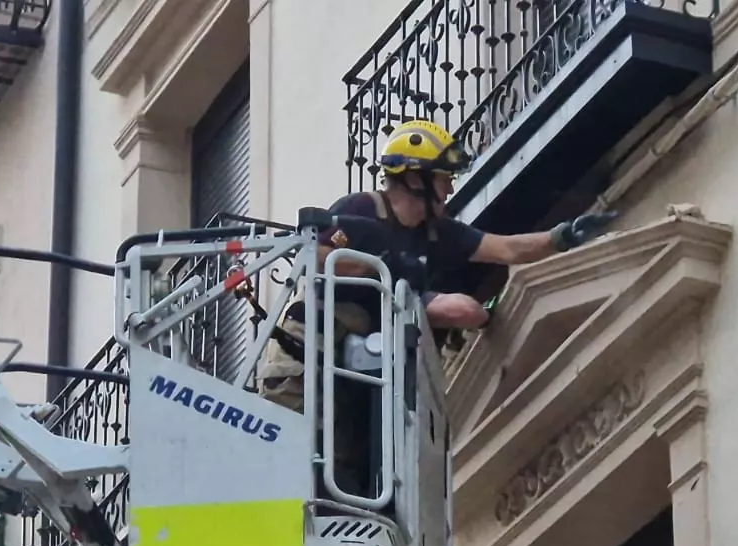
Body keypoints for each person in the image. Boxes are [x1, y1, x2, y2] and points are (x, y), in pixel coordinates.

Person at [256, 119, 619, 410]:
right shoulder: (361, 210)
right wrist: (376, 268)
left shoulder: (435, 233)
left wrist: (561, 237)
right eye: (444, 179)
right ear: (415, 178)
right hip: (302, 364)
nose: (449, 190)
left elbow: (506, 250)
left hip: (350, 380)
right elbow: (315, 257)